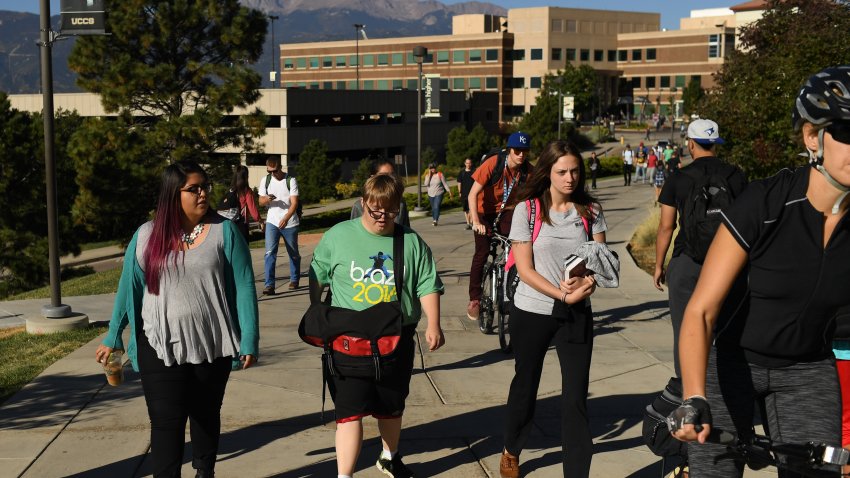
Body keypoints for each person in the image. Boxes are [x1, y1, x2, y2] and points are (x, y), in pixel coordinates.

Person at [669, 65, 850, 477]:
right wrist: (693, 397)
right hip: (730, 361)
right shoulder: (763, 205)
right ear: (812, 137)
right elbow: (701, 311)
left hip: (807, 368)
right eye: (848, 133)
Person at [95, 160, 259, 478]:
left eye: (205, 186)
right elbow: (129, 288)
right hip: (157, 342)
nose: (203, 193)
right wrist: (113, 335)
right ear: (173, 194)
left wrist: (249, 337)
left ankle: (204, 470)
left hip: (212, 341)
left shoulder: (224, 231)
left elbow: (244, 285)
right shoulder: (146, 236)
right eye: (193, 188)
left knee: (205, 413)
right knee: (165, 420)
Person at [309, 173, 445, 478]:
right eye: (376, 211)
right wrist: (317, 309)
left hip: (396, 338)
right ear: (363, 203)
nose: (383, 218)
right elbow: (318, 270)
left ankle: (389, 456)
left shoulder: (410, 241)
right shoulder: (338, 235)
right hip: (348, 339)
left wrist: (433, 323)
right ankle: (345, 475)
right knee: (349, 413)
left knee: (391, 406)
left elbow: (427, 283)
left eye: (391, 211)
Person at [499, 140, 607, 478]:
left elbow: (599, 263)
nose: (570, 178)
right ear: (548, 173)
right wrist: (562, 295)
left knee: (575, 398)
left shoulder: (591, 211)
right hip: (532, 310)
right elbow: (525, 269)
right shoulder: (527, 210)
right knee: (526, 385)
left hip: (576, 313)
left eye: (575, 171)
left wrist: (587, 285)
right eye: (562, 172)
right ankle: (511, 449)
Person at [652, 118, 747, 377]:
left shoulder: (678, 178)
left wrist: (660, 265)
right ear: (715, 143)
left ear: (691, 144)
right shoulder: (735, 176)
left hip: (687, 262)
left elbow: (666, 227)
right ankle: (726, 394)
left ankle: (688, 394)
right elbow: (747, 222)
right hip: (728, 264)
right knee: (727, 330)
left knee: (686, 330)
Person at [466, 131, 533, 321]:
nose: (521, 155)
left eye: (525, 151)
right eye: (517, 151)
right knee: (482, 252)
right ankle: (474, 299)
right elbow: (472, 194)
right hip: (483, 211)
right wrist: (476, 221)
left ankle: (512, 284)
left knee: (519, 245)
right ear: (509, 150)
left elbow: (540, 192)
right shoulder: (493, 163)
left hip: (507, 211)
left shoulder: (528, 170)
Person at [259, 156, 300, 294]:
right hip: (272, 221)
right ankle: (269, 285)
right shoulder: (266, 180)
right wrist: (266, 199)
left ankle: (294, 279)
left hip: (289, 222)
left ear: (280, 168)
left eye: (274, 170)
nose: (272, 173)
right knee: (270, 253)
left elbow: (294, 203)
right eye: (269, 171)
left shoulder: (290, 180)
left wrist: (286, 217)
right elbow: (260, 201)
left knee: (293, 253)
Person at [351, 159, 410, 227]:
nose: (390, 179)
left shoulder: (400, 202)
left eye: (392, 175)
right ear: (372, 177)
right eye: (384, 176)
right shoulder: (359, 206)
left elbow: (405, 229)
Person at [219, 165, 261, 242]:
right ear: (246, 177)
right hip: (241, 224)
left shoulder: (231, 190)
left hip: (229, 224)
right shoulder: (247, 191)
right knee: (243, 250)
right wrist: (260, 221)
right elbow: (253, 211)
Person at [425, 162, 453, 226]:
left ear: (436, 168)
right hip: (430, 194)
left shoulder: (440, 174)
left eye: (434, 168)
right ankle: (434, 219)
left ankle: (435, 220)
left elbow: (445, 184)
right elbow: (426, 184)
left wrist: (449, 191)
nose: (433, 169)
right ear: (429, 169)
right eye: (431, 168)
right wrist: (429, 175)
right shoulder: (427, 176)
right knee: (433, 208)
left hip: (439, 193)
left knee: (436, 206)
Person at [457, 158, 476, 229]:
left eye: (469, 163)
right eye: (467, 163)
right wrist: (460, 192)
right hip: (464, 193)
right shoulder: (461, 173)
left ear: (471, 163)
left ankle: (471, 222)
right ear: (465, 164)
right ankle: (468, 222)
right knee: (465, 209)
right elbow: (459, 183)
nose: (468, 164)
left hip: (472, 193)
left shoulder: (474, 172)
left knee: (471, 208)